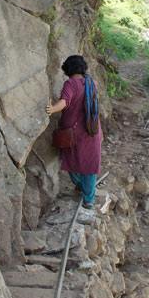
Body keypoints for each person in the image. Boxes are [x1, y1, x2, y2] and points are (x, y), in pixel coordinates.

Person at [46, 55, 103, 209]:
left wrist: (52, 109)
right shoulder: (92, 83)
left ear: (68, 68)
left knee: (71, 161)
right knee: (90, 165)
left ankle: (83, 189)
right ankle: (88, 198)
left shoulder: (71, 84)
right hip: (92, 130)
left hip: (75, 133)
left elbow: (65, 102)